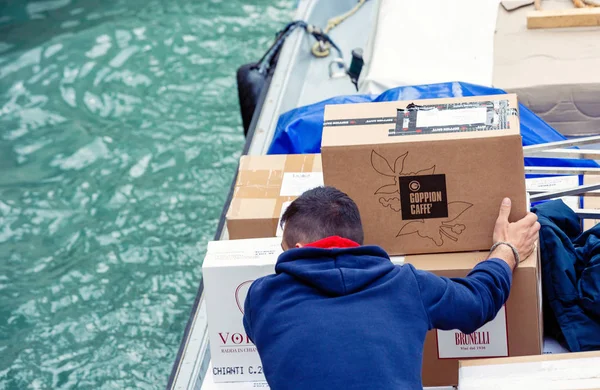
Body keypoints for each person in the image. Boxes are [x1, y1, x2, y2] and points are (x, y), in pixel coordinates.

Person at [243, 186, 540, 390]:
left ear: (297, 248)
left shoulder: (261, 298)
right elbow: (479, 301)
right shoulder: (408, 285)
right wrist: (507, 249)